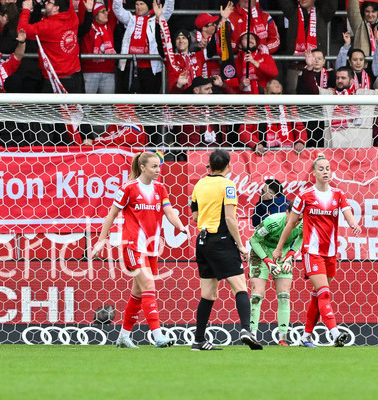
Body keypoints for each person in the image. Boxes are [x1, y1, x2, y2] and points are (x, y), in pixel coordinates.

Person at [91, 152, 186, 348]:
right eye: (153, 167)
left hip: (151, 248)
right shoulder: (128, 188)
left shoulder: (161, 188)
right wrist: (101, 240)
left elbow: (168, 211)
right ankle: (158, 336)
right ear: (142, 167)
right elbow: (111, 215)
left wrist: (180, 226)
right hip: (133, 246)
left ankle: (123, 337)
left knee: (139, 293)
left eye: (159, 167)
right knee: (149, 286)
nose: (158, 170)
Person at [274, 155, 363, 347]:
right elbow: (291, 224)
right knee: (324, 292)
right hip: (311, 252)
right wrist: (280, 248)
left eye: (328, 168)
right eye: (321, 168)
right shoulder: (305, 196)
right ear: (313, 173)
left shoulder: (338, 194)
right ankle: (334, 333)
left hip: (330, 253)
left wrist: (354, 224)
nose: (325, 172)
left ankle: (306, 337)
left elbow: (348, 213)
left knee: (318, 295)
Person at [190, 148, 260, 350]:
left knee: (208, 294)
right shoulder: (228, 185)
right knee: (240, 286)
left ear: (209, 166)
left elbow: (195, 216)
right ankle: (246, 330)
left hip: (202, 242)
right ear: (228, 166)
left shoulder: (199, 184)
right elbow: (230, 218)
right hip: (221, 240)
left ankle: (199, 340)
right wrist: (240, 245)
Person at [248, 211, 303, 347]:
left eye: (300, 219)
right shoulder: (271, 222)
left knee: (284, 295)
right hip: (261, 254)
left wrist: (290, 255)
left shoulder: (302, 224)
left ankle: (283, 338)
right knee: (256, 295)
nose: (296, 221)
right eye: (295, 217)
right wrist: (268, 261)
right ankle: (252, 336)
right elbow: (253, 240)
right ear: (287, 213)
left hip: (283, 254)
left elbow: (301, 238)